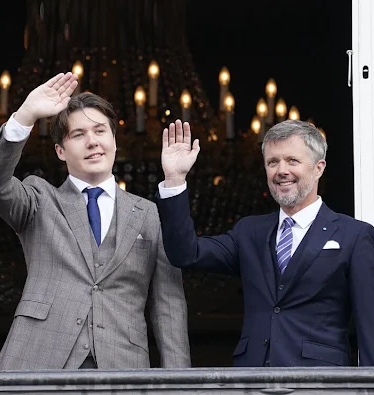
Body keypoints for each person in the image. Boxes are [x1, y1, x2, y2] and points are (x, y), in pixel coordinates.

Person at [0, 72, 190, 370]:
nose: (92, 142)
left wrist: (180, 384)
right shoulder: (39, 199)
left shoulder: (150, 214)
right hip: (39, 360)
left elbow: (169, 308)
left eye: (100, 131)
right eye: (78, 135)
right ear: (60, 151)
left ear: (114, 140)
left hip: (122, 366)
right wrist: (24, 116)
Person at [157, 119, 374, 367]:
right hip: (252, 379)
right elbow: (186, 254)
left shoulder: (355, 236)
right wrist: (174, 180)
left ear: (318, 168)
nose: (281, 170)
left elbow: (370, 324)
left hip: (320, 382)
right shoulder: (250, 231)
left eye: (292, 160)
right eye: (273, 162)